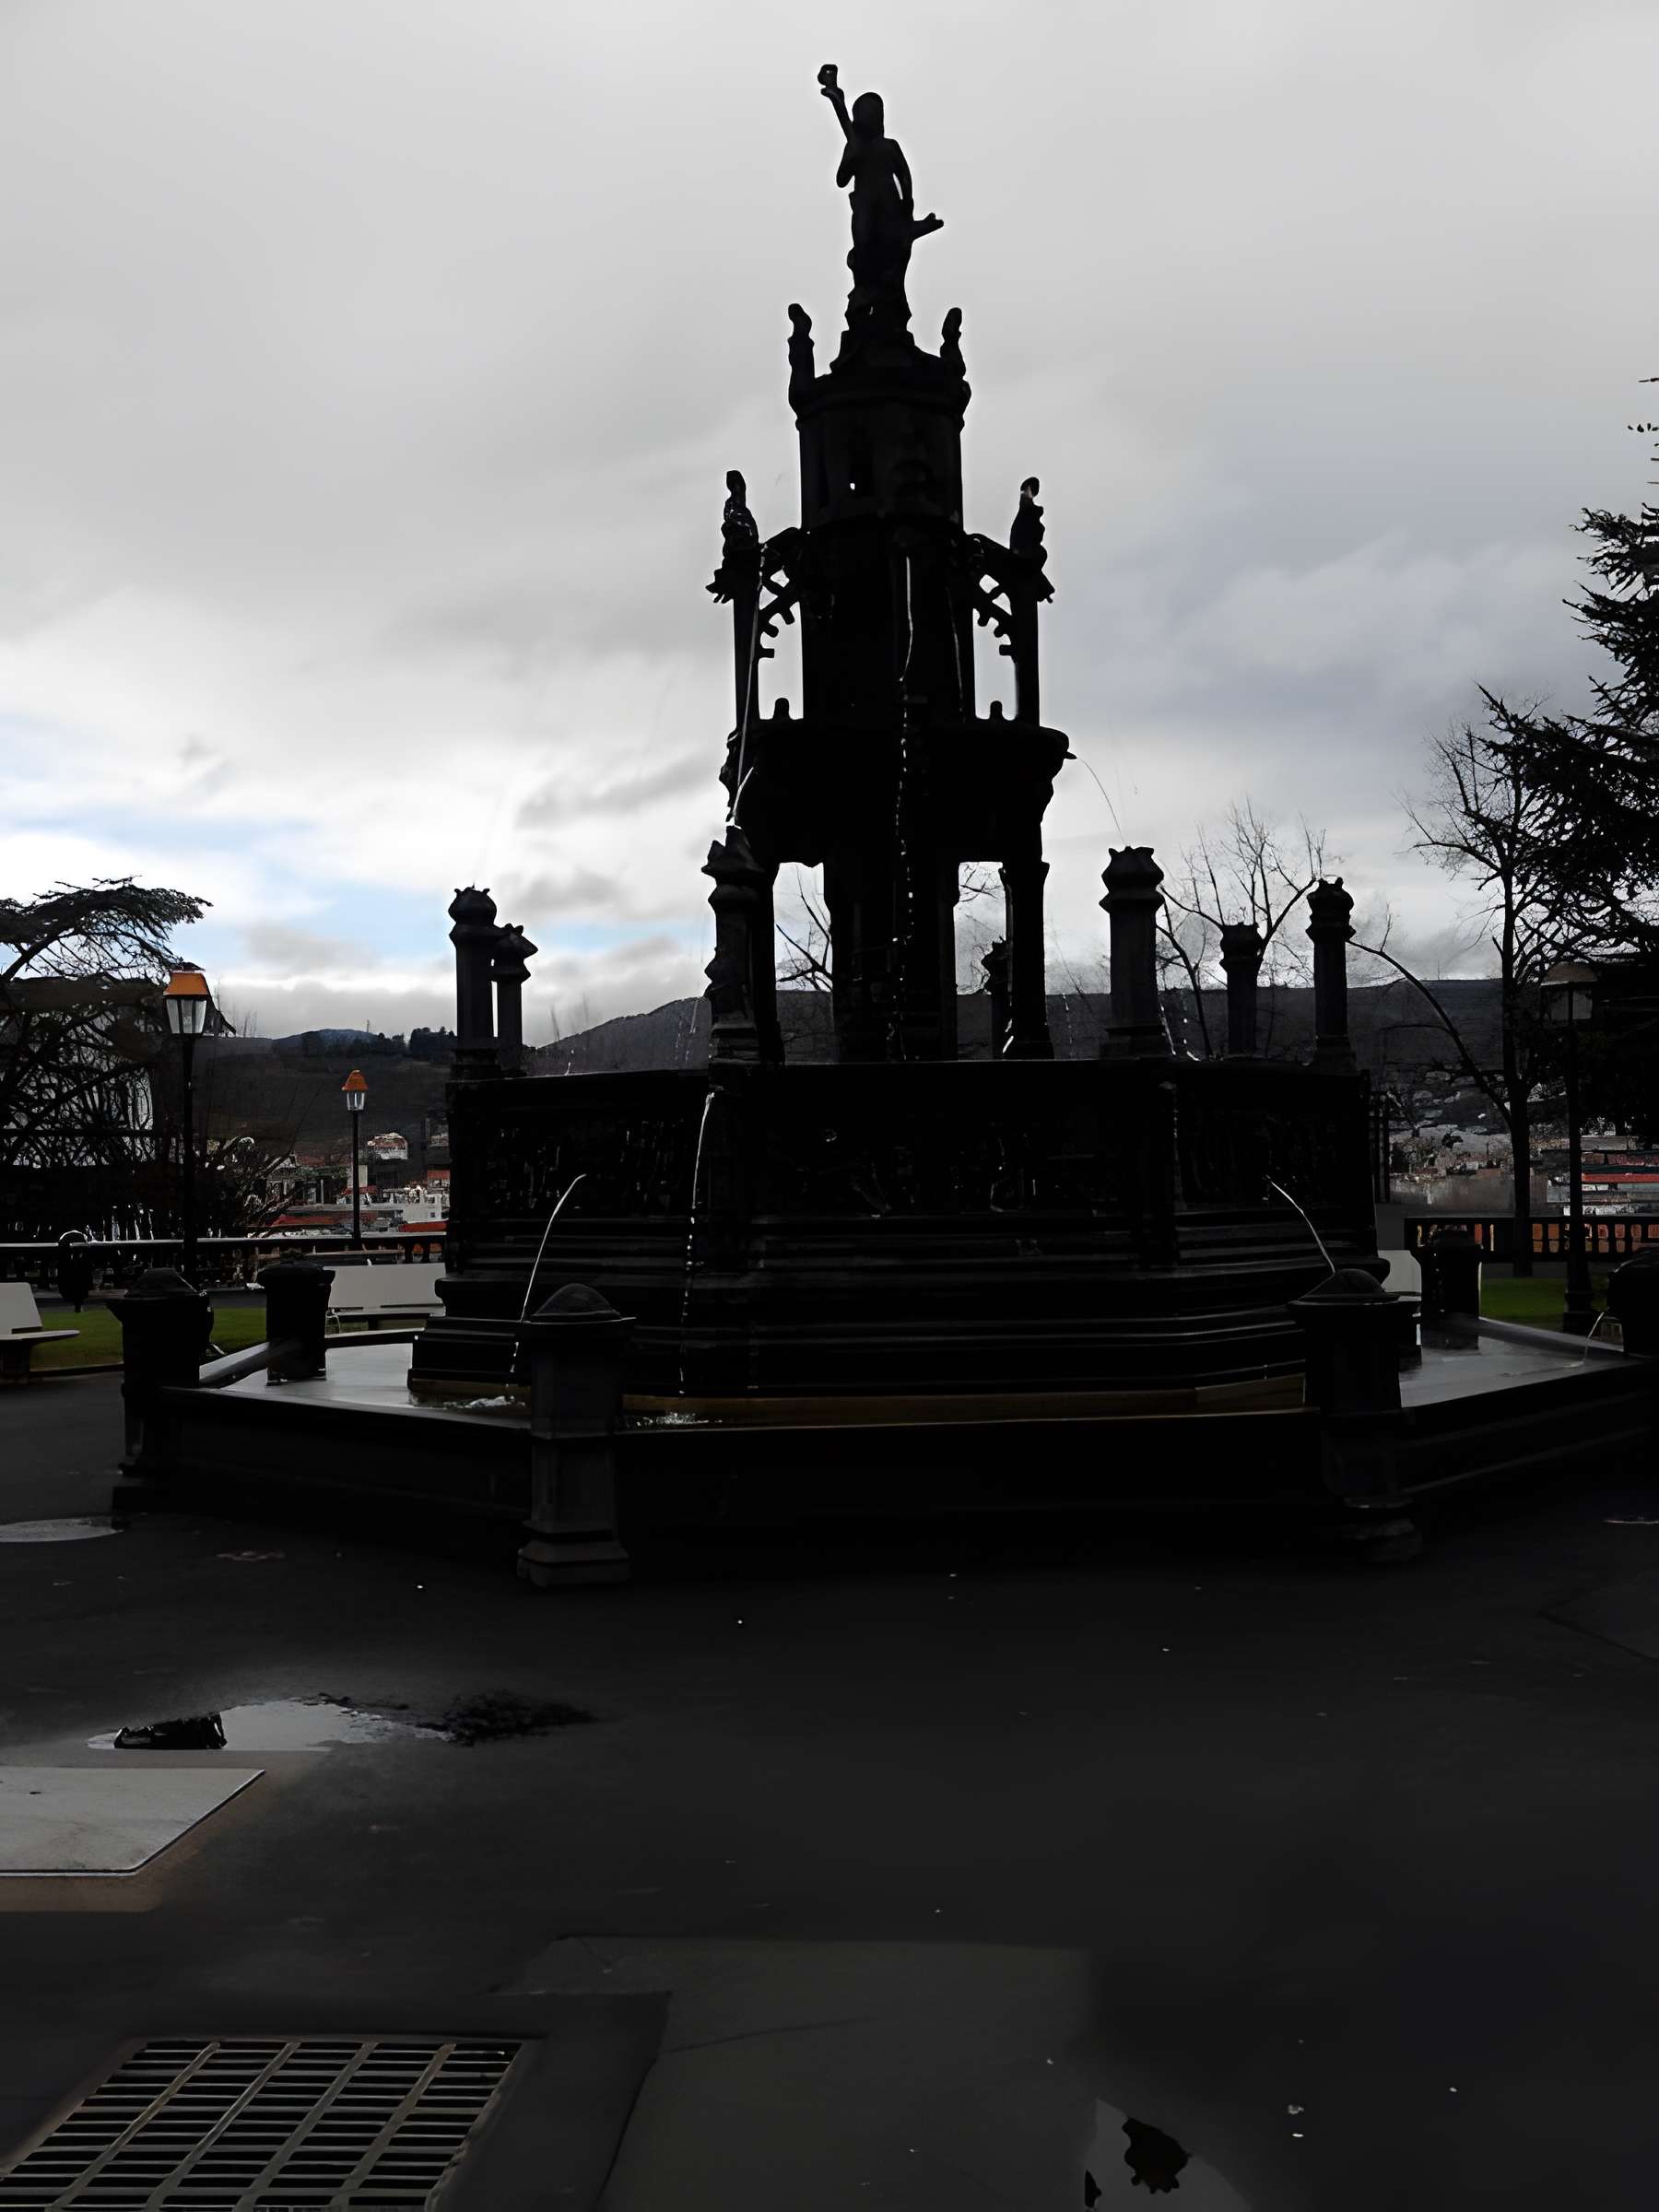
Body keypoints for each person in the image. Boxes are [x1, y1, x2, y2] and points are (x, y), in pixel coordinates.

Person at [818, 64, 942, 314]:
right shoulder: (854, 147)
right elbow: (841, 179)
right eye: (862, 112)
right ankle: (864, 291)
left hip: (890, 205)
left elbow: (904, 174)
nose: (867, 116)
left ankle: (887, 294)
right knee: (864, 245)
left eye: (872, 112)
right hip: (863, 206)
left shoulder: (889, 146)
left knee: (893, 250)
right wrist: (852, 156)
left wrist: (908, 200)